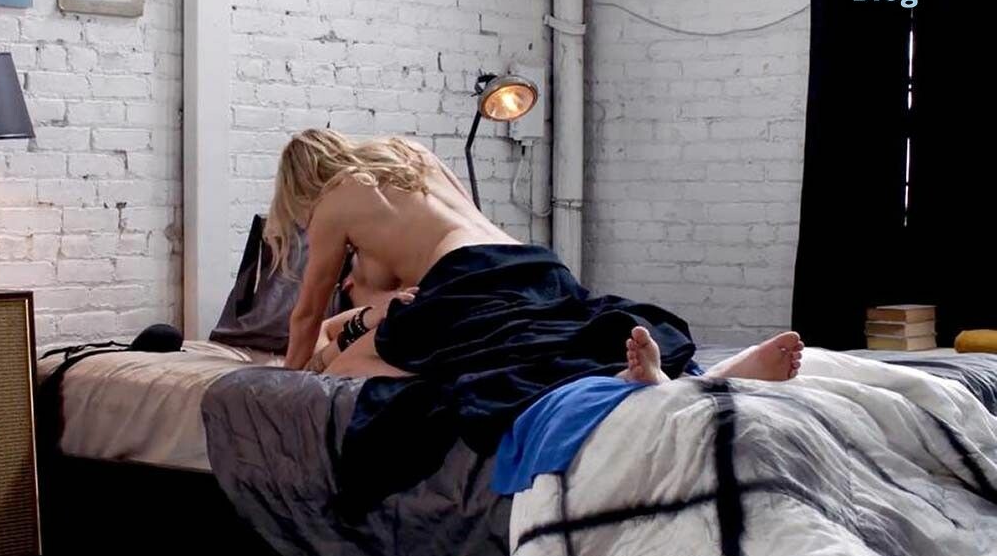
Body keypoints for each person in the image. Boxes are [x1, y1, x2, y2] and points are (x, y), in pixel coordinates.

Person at [267, 128, 803, 385]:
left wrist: (284, 380)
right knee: (562, 337)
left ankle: (631, 386)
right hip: (527, 260)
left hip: (464, 280)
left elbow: (306, 314)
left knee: (352, 368)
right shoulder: (409, 154)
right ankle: (712, 377)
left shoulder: (332, 202)